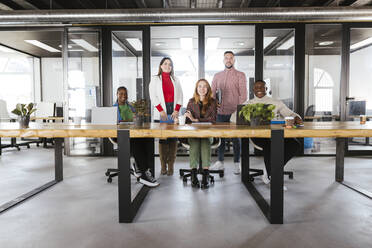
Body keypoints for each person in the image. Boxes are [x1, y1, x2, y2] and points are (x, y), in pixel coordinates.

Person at [238, 79, 302, 184]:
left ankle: (271, 170)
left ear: (266, 89)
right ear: (253, 90)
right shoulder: (248, 104)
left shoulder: (276, 102)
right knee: (269, 144)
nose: (259, 89)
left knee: (294, 144)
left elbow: (290, 114)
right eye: (256, 87)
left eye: (262, 87)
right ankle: (272, 176)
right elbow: (233, 118)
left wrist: (297, 117)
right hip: (257, 135)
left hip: (276, 134)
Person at [210, 51, 248, 174]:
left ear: (234, 60)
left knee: (236, 139)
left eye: (231, 58)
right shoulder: (217, 76)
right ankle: (220, 162)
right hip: (220, 112)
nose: (228, 60)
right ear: (223, 60)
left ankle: (237, 163)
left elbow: (243, 95)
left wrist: (237, 111)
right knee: (221, 138)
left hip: (234, 113)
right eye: (226, 58)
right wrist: (215, 103)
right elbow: (211, 94)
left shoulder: (240, 75)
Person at [114, 86, 159, 187]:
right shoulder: (113, 108)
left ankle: (144, 169)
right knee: (136, 142)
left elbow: (137, 117)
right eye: (121, 93)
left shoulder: (130, 106)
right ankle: (143, 174)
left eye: (125, 94)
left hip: (133, 132)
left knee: (147, 139)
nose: (123, 96)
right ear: (116, 95)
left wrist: (138, 115)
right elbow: (114, 123)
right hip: (121, 134)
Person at [149, 57, 183, 176]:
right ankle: (163, 165)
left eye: (170, 64)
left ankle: (171, 165)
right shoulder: (155, 79)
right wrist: (161, 110)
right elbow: (153, 96)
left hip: (173, 112)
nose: (168, 66)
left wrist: (176, 110)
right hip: (161, 112)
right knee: (163, 139)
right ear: (161, 66)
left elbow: (180, 97)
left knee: (173, 139)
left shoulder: (176, 79)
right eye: (165, 63)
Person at [185, 79, 217, 189]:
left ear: (208, 89)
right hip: (194, 133)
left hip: (208, 132)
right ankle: (193, 173)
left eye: (204, 86)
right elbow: (188, 121)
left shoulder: (212, 102)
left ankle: (205, 174)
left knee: (205, 141)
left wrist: (196, 120)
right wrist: (188, 118)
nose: (202, 89)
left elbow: (212, 119)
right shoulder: (191, 101)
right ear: (196, 88)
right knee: (194, 142)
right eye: (200, 86)